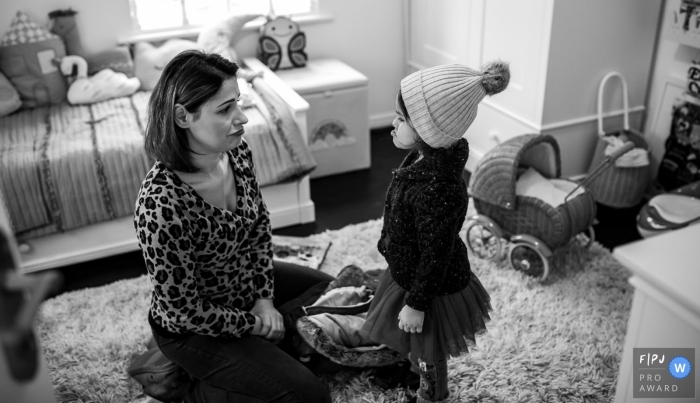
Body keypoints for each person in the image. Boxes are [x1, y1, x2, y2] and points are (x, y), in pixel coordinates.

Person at [133, 49, 334, 403]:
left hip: (245, 290)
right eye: (225, 110)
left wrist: (265, 299)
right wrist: (256, 325)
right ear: (183, 116)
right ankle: (185, 384)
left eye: (237, 103)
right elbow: (184, 311)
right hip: (194, 328)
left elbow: (258, 228)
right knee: (310, 397)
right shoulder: (160, 205)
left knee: (333, 295)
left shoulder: (236, 152)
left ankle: (268, 350)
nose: (241, 118)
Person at [361, 61, 510, 402]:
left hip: (431, 285)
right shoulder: (423, 157)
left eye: (401, 119)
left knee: (429, 346)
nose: (393, 125)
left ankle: (434, 394)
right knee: (405, 332)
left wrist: (416, 303)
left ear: (429, 130)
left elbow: (436, 253)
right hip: (407, 268)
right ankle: (407, 366)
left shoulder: (438, 189)